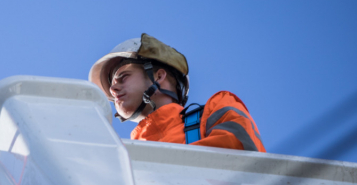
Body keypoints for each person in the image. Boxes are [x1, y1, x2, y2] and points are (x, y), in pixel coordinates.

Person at [89, 34, 266, 152]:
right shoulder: (122, 154)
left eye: (123, 77)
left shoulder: (217, 109)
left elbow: (240, 160)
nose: (113, 90)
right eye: (112, 85)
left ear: (158, 76)